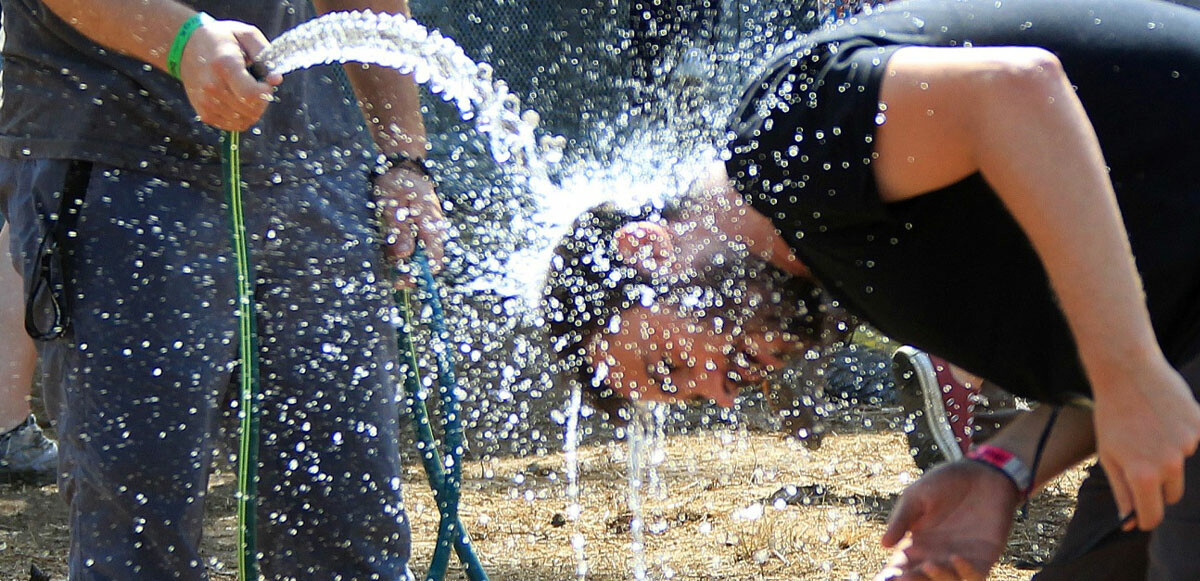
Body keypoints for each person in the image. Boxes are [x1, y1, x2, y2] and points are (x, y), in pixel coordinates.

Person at [545, 0, 1200, 577]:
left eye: (675, 362)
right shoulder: (838, 264)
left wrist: (1128, 372)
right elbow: (1115, 359)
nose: (720, 391)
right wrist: (1004, 469)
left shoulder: (784, 141)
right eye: (691, 392)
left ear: (647, 247)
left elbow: (1017, 89)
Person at [0, 0, 445, 578]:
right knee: (141, 526)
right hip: (114, 158)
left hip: (310, 164)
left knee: (345, 520)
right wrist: (181, 40)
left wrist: (404, 158)